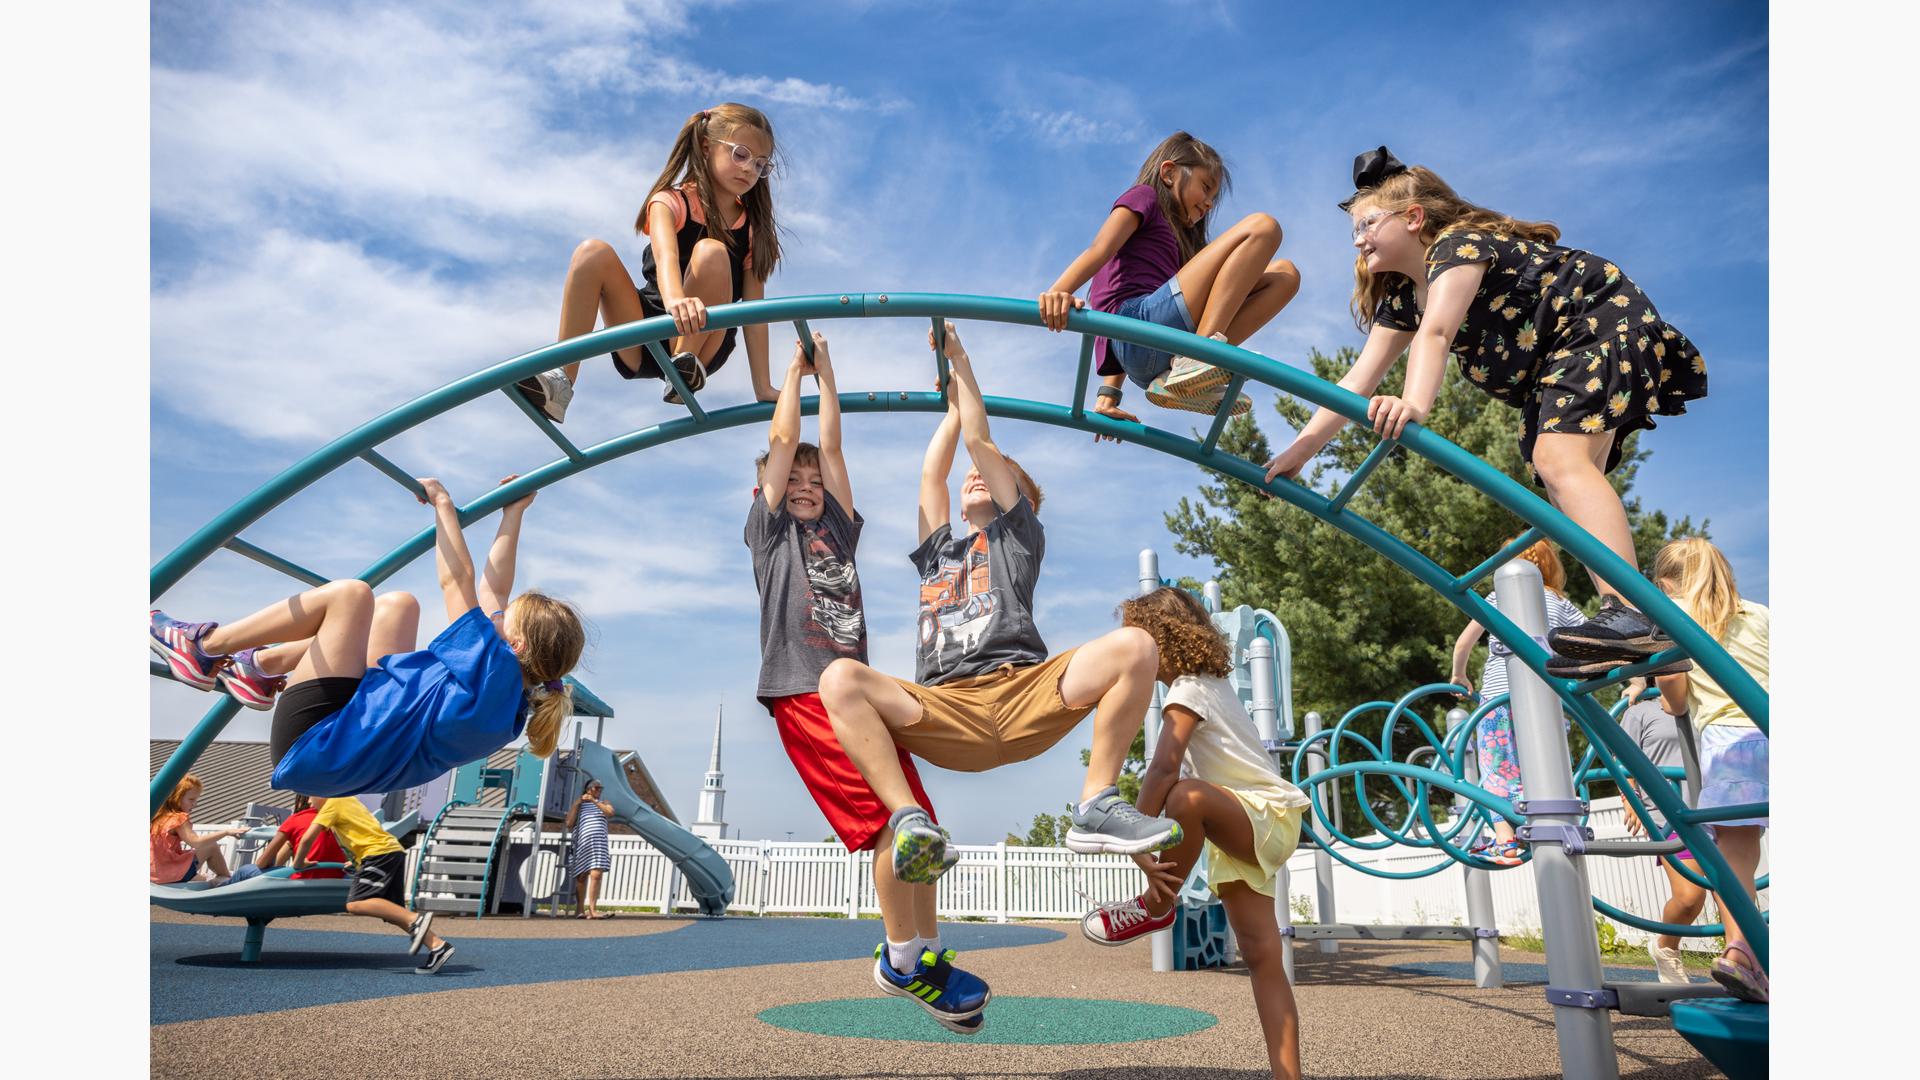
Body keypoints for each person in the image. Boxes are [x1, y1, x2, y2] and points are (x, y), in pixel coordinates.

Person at [820, 322, 1183, 1026]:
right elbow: (935, 470)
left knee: (1137, 646)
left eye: (994, 475)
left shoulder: (1017, 538)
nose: (974, 475)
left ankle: (1098, 801)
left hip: (1023, 693)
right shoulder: (938, 553)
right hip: (946, 709)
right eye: (971, 478)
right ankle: (911, 818)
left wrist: (962, 364)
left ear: (1024, 500)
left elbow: (984, 445)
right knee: (842, 679)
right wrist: (950, 408)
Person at [1265, 147, 1708, 663]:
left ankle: (1630, 609)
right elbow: (1358, 380)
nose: (1358, 240)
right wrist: (1300, 451)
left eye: (1367, 224)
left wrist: (1414, 403)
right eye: (1354, 232)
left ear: (1412, 218)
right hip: (1557, 363)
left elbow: (1437, 332)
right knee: (1562, 479)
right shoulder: (1406, 297)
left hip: (1599, 323)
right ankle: (1625, 627)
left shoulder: (1457, 245)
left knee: (1558, 461)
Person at [744, 332, 973, 1032]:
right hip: (806, 693)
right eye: (797, 483)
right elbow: (787, 440)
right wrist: (793, 372)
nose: (809, 489)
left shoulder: (839, 531)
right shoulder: (771, 531)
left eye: (816, 485)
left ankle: (929, 956)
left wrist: (832, 376)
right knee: (884, 825)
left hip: (855, 697)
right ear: (773, 491)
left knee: (918, 826)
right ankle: (901, 960)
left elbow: (830, 448)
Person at [150, 475, 585, 798]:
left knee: (350, 596)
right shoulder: (509, 699)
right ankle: (261, 667)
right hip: (348, 745)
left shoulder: (490, 670)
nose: (498, 613)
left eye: (507, 617)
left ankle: (203, 648)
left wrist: (442, 505)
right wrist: (514, 514)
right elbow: (493, 590)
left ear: (518, 644)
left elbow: (459, 582)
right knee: (398, 606)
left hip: (316, 742)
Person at [1082, 587, 1309, 1080]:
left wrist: (1135, 836)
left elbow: (1163, 770)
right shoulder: (1211, 685)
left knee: (1186, 795)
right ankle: (1288, 1075)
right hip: (1244, 832)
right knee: (1262, 956)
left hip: (1265, 815)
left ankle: (1156, 907)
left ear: (1162, 639)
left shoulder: (1189, 689)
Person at [517, 103, 783, 422]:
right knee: (592, 252)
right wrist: (675, 302)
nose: (749, 170)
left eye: (760, 165)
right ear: (706, 146)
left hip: (703, 343)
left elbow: (755, 315)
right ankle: (561, 381)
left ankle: (683, 367)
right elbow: (666, 256)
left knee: (712, 252)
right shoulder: (670, 201)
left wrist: (763, 386)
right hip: (648, 328)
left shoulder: (753, 230)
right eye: (741, 155)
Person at [1040, 132, 1299, 420]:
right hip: (1137, 326)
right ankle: (1201, 358)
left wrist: (1108, 398)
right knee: (1263, 226)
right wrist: (1059, 290)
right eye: (1206, 187)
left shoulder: (1181, 250)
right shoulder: (1145, 197)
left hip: (1155, 349)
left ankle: (1189, 368)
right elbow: (1102, 254)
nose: (1210, 204)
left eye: (1214, 197)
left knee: (1285, 274)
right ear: (1169, 172)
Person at [1650, 537, 1768, 1003]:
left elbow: (1674, 696)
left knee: (1736, 863)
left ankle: (1741, 953)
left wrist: (1665, 690)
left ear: (1665, 585)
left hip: (1731, 743)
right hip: (1770, 725)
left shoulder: (1673, 620)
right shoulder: (1759, 613)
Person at [1446, 537, 1588, 865]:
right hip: (1548, 701)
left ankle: (1505, 838)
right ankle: (1544, 824)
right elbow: (1591, 638)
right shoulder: (1558, 601)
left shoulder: (1498, 595)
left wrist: (1459, 675)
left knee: (1496, 767)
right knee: (1542, 766)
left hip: (1499, 699)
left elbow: (1463, 643)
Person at [294, 795, 454, 975]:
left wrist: (299, 863)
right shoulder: (348, 800)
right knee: (395, 914)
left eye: (310, 796)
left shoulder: (332, 803)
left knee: (355, 904)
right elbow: (364, 830)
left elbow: (307, 838)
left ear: (323, 790)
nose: (309, 802)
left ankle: (417, 919)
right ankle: (437, 946)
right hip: (391, 851)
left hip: (378, 854)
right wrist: (356, 860)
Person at [1615, 677, 1707, 985]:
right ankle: (1666, 947)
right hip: (1667, 815)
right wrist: (1630, 799)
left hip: (1711, 809)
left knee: (1733, 896)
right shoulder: (1640, 712)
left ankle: (1743, 961)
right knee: (1689, 898)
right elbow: (1624, 758)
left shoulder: (1702, 703)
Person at [150, 774, 244, 886]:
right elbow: (196, 842)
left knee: (198, 874)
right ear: (176, 797)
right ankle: (224, 877)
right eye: (191, 799)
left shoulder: (155, 817)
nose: (195, 804)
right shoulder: (178, 818)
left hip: (153, 874)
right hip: (169, 873)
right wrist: (226, 832)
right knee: (211, 846)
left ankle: (201, 878)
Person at [249, 794, 348, 880]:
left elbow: (262, 863)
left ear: (303, 801)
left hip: (301, 883)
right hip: (336, 883)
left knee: (244, 871)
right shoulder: (342, 821)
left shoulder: (296, 820)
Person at [567, 779, 614, 918]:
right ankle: (580, 909)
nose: (599, 790)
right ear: (588, 789)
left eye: (600, 788)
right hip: (581, 842)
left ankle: (593, 910)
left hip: (599, 843)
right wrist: (577, 804)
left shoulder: (603, 803)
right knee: (581, 876)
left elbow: (610, 813)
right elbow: (569, 823)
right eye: (596, 788)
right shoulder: (580, 805)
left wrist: (594, 801)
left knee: (596, 875)